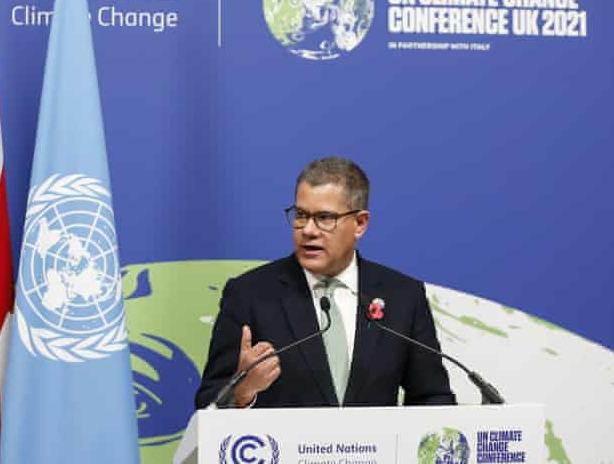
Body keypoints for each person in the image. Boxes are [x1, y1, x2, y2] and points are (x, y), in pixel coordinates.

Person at [195, 157, 455, 409]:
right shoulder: (249, 295)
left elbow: (433, 399)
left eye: (325, 218)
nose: (308, 230)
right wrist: (241, 393)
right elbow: (207, 404)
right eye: (300, 215)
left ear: (360, 224)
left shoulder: (402, 297)